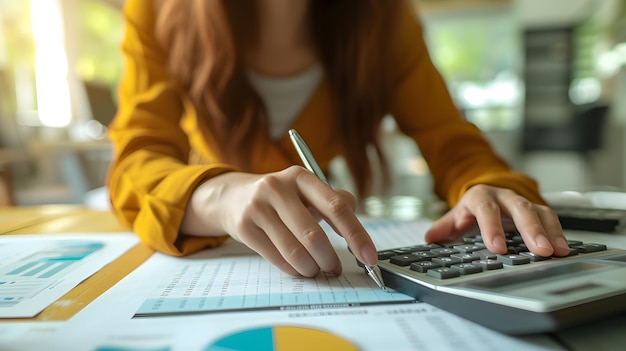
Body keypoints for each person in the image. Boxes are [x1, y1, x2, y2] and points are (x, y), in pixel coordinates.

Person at [107, 0, 570, 278]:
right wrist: (218, 194)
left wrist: (486, 187)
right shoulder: (158, 10)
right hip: (213, 241)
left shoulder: (385, 19)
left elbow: (451, 140)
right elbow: (137, 158)